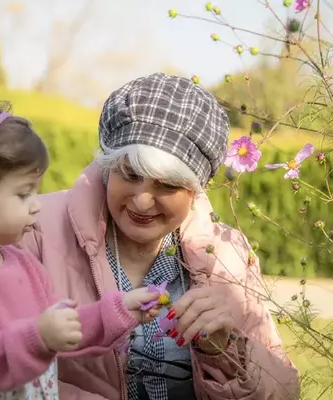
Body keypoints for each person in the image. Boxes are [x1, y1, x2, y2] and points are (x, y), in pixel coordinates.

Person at [21, 72, 300, 400]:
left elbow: (284, 391)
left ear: (196, 189)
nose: (141, 200)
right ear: (109, 164)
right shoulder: (33, 229)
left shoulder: (228, 254)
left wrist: (227, 349)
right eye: (129, 173)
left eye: (166, 184)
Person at [0, 102, 165, 400]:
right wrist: (37, 338)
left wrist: (120, 309)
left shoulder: (21, 262)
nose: (36, 204)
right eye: (23, 193)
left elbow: (63, 327)